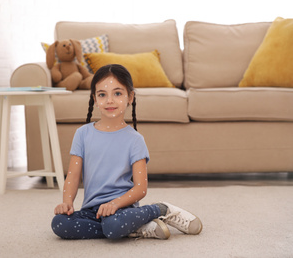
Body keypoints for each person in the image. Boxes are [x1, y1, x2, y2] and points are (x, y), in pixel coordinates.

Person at [51, 64, 202, 240]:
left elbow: (140, 188)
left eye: (117, 93)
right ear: (94, 98)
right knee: (60, 224)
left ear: (130, 96)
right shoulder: (82, 134)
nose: (109, 100)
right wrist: (67, 203)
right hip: (92, 211)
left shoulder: (135, 140)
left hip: (122, 209)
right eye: (102, 94)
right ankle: (134, 229)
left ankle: (160, 209)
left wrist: (115, 204)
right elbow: (73, 176)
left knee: (114, 225)